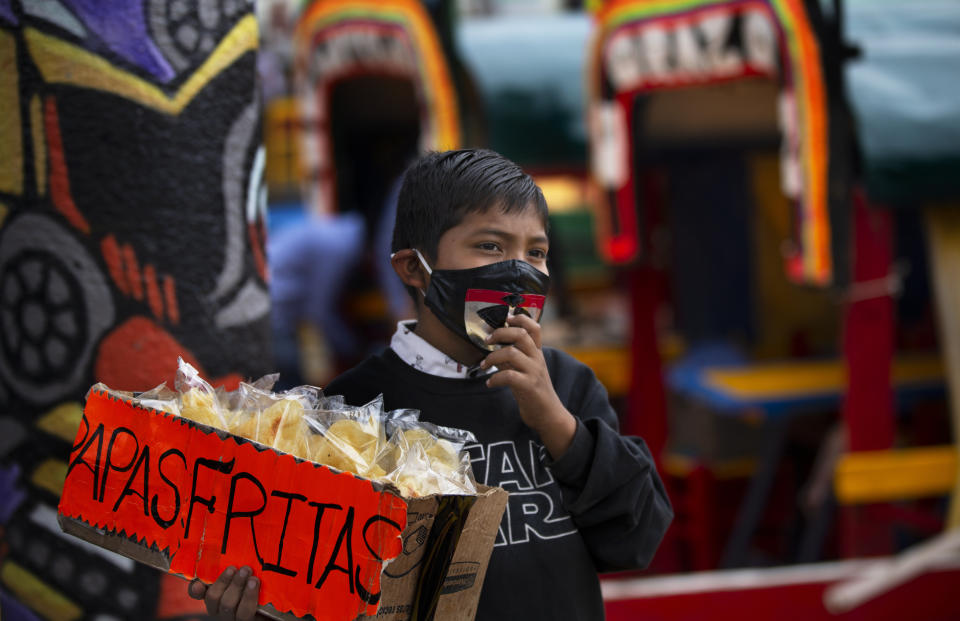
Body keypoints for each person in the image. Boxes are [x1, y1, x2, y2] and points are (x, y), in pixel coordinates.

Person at [190, 149, 672, 620]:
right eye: (490, 246)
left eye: (537, 252)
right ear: (414, 268)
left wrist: (557, 423)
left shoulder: (568, 384)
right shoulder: (350, 410)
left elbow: (636, 538)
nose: (519, 270)